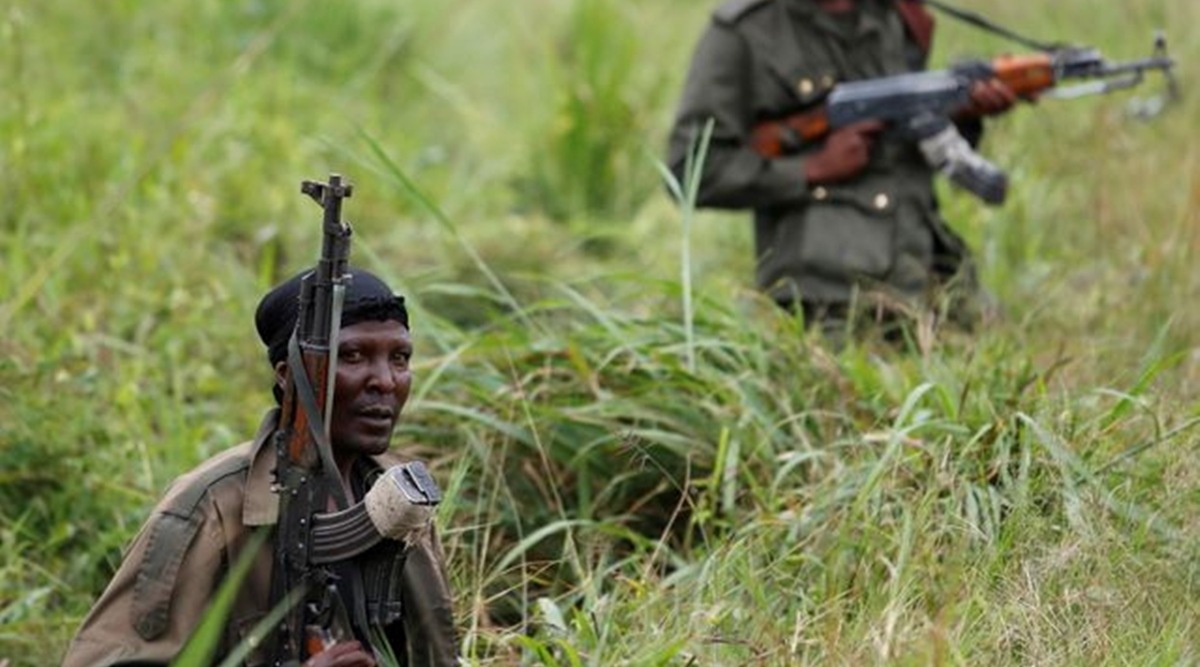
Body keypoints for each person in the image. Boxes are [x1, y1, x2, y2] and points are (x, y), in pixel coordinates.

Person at [62, 268, 458, 667]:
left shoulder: (402, 492)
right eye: (352, 356)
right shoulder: (210, 508)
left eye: (400, 358)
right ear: (289, 377)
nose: (386, 382)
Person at [666, 0, 1019, 342]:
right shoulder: (745, 31)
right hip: (824, 300)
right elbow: (692, 168)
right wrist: (811, 169)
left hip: (930, 276)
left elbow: (905, 140)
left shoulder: (897, 13)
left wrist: (963, 116)